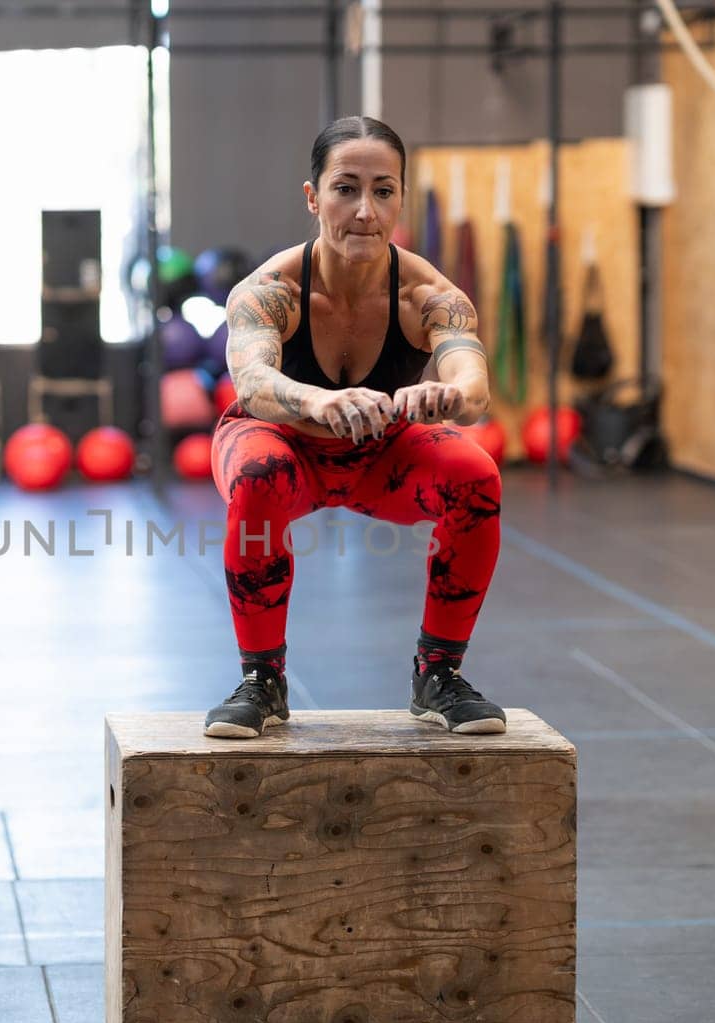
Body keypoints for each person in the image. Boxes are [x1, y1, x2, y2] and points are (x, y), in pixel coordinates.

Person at [204, 115, 504, 739]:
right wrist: (315, 402)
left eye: (383, 190)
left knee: (476, 475)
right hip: (284, 444)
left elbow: (473, 386)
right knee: (258, 476)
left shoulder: (429, 295)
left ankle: (438, 675)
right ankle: (263, 680)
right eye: (346, 188)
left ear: (399, 199)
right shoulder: (269, 290)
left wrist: (448, 392)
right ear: (313, 197)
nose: (365, 211)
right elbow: (253, 382)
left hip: (379, 455)